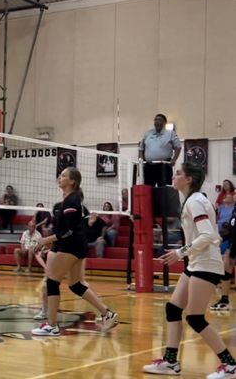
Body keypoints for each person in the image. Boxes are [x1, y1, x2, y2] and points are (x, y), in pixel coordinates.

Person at [143, 162, 236, 378]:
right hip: (197, 263)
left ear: (189, 179)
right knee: (173, 309)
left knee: (195, 318)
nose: (173, 177)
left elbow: (208, 236)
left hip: (206, 264)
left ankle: (230, 365)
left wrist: (180, 252)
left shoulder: (195, 202)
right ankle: (170, 362)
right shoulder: (192, 200)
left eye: (178, 174)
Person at [31, 167, 118, 337]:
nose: (60, 178)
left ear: (72, 181)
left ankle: (52, 325)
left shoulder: (71, 201)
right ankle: (107, 313)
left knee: (52, 282)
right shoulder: (70, 200)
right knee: (76, 285)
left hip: (70, 246)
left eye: (63, 176)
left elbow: (69, 231)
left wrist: (45, 241)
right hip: (77, 246)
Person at [139, 114, 182, 187]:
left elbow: (178, 147)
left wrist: (174, 159)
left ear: (165, 122)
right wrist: (142, 161)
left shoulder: (170, 133)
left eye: (159, 120)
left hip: (164, 166)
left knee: (164, 189)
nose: (157, 122)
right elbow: (141, 149)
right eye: (155, 120)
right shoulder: (147, 134)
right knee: (148, 189)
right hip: (149, 166)